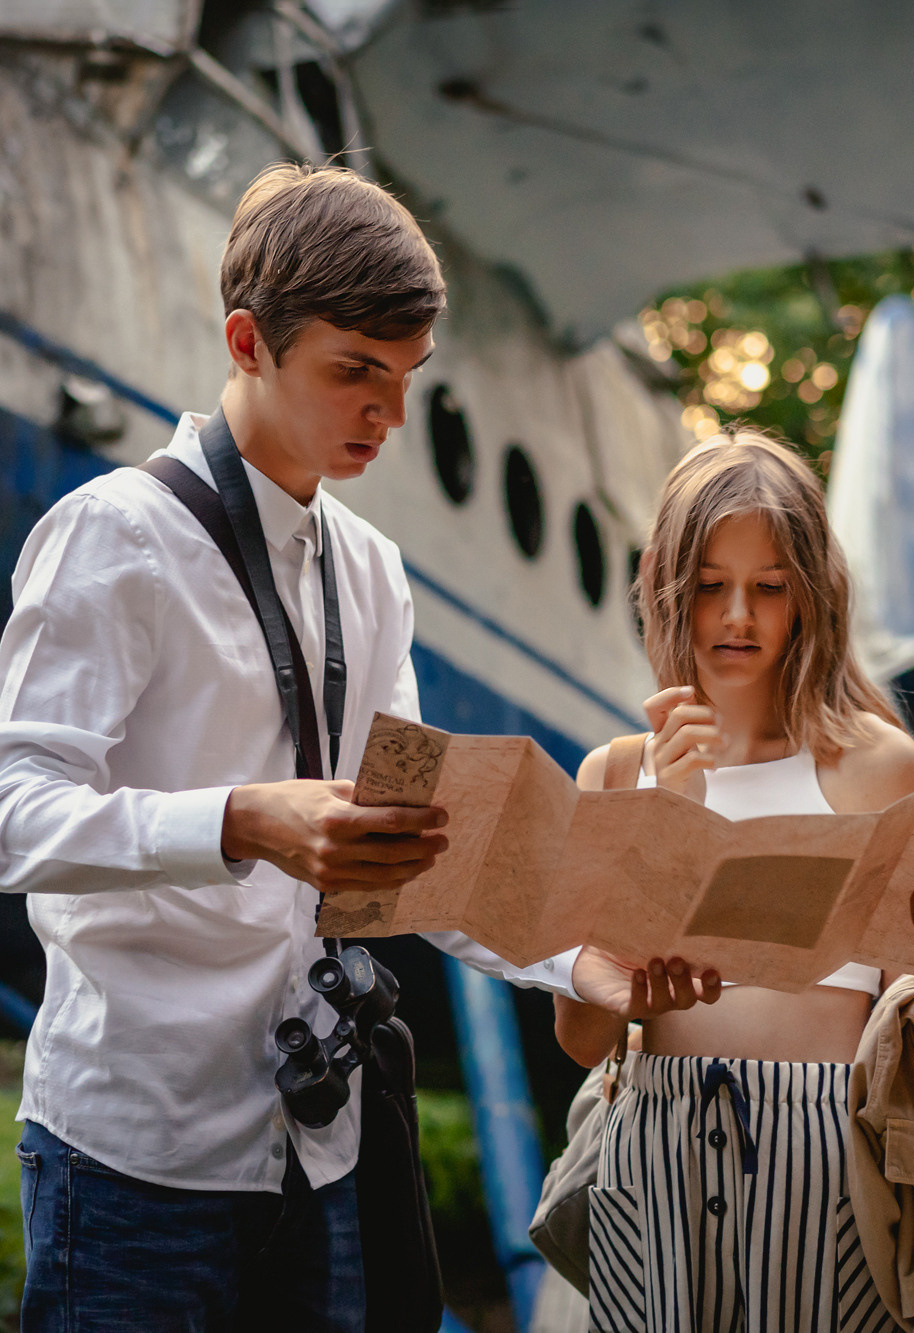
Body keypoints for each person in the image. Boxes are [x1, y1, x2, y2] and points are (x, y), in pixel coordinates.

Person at [0, 163, 714, 1332]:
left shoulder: (374, 573)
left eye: (406, 376)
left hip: (319, 1151)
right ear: (247, 342)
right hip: (132, 1159)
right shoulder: (112, 535)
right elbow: (13, 812)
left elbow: (418, 847)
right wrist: (242, 821)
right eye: (355, 372)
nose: (388, 413)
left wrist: (582, 961)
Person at [552, 428, 914, 1333]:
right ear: (665, 585)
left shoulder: (875, 767)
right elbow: (582, 1037)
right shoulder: (615, 772)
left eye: (770, 587)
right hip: (653, 1151)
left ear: (812, 594)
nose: (738, 615)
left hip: (825, 1151)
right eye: (710, 585)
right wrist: (663, 821)